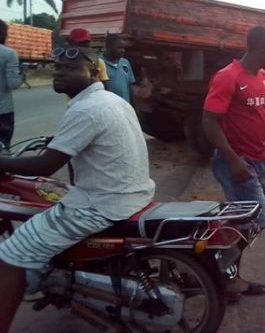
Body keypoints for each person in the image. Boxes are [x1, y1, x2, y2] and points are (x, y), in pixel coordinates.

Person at [0, 44, 155, 329]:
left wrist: (3, 162)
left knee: (10, 256)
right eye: (58, 67)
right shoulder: (111, 100)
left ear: (93, 72)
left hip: (102, 205)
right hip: (132, 194)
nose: (60, 73)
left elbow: (45, 165)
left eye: (72, 68)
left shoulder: (86, 109)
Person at [202, 25, 265, 300]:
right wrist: (233, 160)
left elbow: (263, 114)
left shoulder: (263, 76)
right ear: (260, 47)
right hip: (236, 164)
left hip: (256, 160)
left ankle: (229, 279)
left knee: (240, 224)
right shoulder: (228, 76)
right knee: (257, 221)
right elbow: (209, 121)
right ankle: (217, 272)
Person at [0, 20, 22, 150]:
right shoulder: (9, 54)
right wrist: (22, 73)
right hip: (3, 111)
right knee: (3, 151)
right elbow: (13, 84)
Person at [102, 34, 135, 103]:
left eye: (124, 48)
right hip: (108, 106)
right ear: (109, 47)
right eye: (120, 48)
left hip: (124, 105)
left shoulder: (125, 62)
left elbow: (130, 85)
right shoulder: (99, 62)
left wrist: (133, 105)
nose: (123, 50)